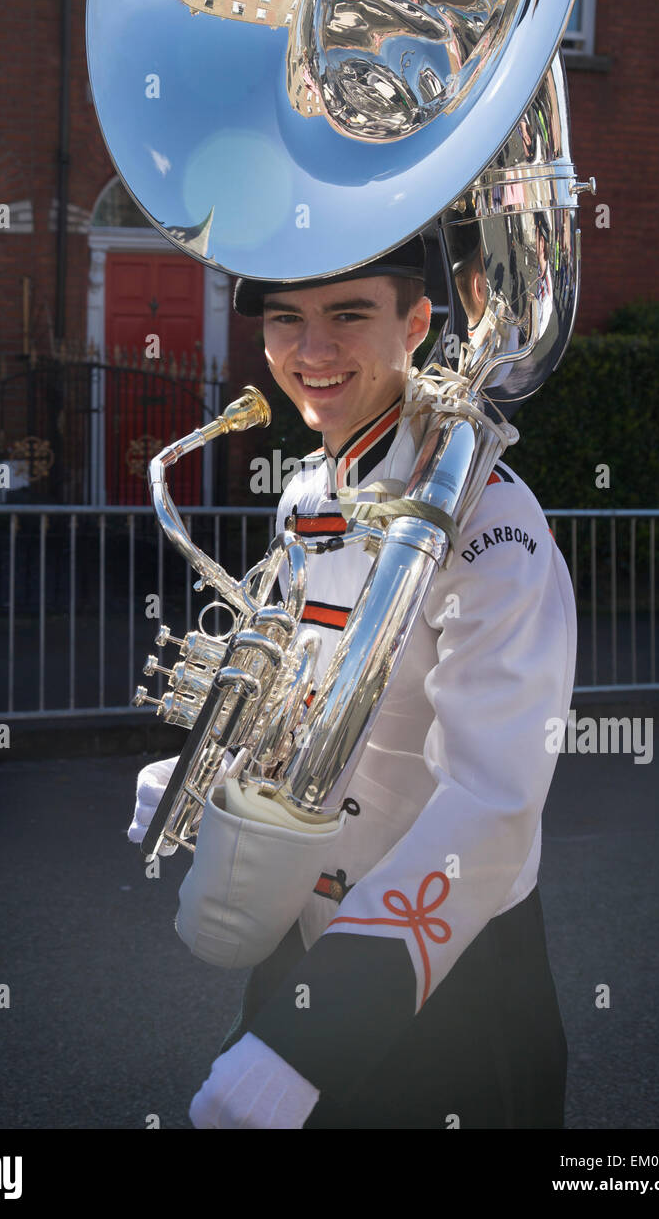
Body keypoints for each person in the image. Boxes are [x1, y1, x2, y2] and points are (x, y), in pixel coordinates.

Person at [129, 234, 576, 1130]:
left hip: (440, 970)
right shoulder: (303, 495)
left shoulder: (495, 520)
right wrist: (217, 770)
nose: (313, 351)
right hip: (302, 930)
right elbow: (300, 695)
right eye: (286, 320)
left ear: (416, 323)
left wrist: (313, 1042)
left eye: (348, 315)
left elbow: (493, 802)